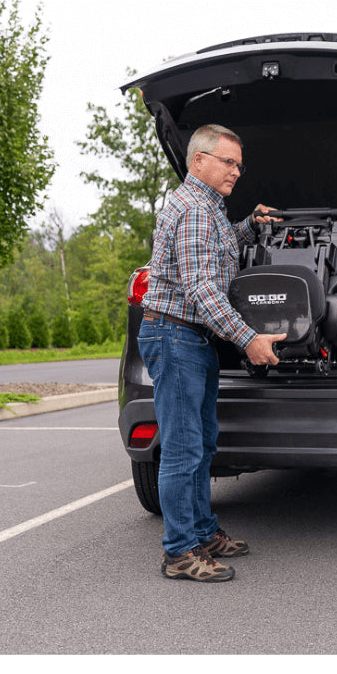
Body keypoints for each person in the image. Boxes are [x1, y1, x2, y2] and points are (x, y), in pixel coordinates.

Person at [138, 123, 286, 582]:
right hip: (175, 336)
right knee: (182, 449)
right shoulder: (193, 211)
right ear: (199, 160)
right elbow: (202, 289)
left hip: (191, 338)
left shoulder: (208, 208)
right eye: (228, 162)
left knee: (201, 444)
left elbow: (217, 253)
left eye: (239, 165)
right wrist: (248, 339)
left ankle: (202, 532)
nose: (236, 172)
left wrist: (248, 226)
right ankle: (180, 552)